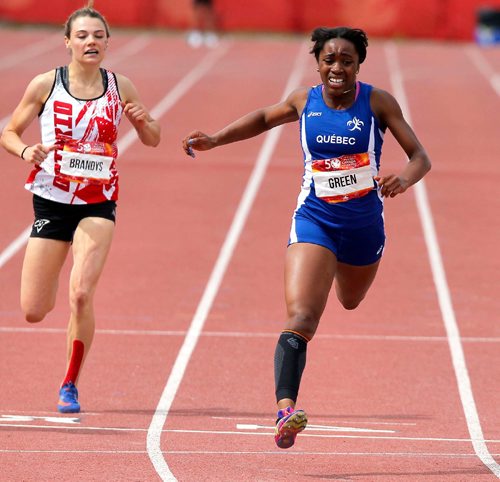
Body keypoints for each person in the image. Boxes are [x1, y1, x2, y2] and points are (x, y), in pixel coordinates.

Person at [182, 26, 431, 448]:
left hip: (364, 225)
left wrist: (404, 180)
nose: (336, 68)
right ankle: (284, 411)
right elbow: (263, 118)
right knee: (301, 318)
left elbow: (420, 156)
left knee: (350, 300)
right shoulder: (304, 100)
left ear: (358, 65)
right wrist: (216, 138)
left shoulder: (378, 102)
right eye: (328, 60)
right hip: (315, 218)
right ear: (317, 62)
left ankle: (333, 268)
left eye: (346, 61)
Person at [0, 1, 160, 413]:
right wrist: (26, 150)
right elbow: (10, 131)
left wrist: (143, 122)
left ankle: (69, 383)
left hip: (98, 201)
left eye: (99, 35)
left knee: (82, 295)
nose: (91, 42)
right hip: (51, 199)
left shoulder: (120, 85)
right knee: (34, 310)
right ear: (68, 42)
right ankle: (53, 269)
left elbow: (154, 137)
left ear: (108, 42)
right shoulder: (44, 84)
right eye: (83, 35)